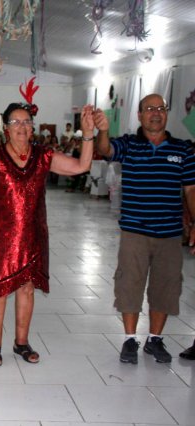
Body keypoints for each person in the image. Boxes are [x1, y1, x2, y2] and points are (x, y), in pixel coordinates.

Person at [0, 102, 95, 366]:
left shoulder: (44, 156)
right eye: (16, 122)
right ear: (6, 128)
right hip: (0, 235)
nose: (22, 127)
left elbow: (81, 166)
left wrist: (88, 133)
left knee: (27, 288)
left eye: (26, 122)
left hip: (33, 233)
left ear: (32, 127)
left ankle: (21, 343)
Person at [94, 94, 195, 364]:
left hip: (169, 233)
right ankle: (130, 339)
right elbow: (106, 149)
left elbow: (190, 189)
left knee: (166, 285)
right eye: (150, 108)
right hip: (135, 230)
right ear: (140, 115)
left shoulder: (182, 149)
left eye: (161, 108)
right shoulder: (130, 144)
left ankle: (155, 339)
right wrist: (103, 130)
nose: (156, 113)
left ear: (166, 113)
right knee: (130, 283)